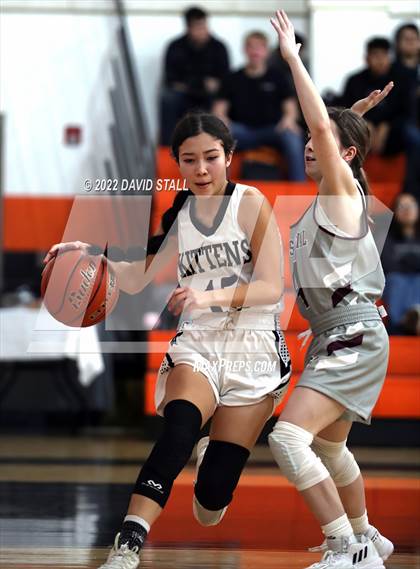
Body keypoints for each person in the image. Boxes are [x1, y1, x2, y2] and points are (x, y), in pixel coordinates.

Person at [44, 112, 291, 569]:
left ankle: (211, 458)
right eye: (189, 160)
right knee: (177, 430)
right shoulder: (181, 210)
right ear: (176, 163)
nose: (201, 169)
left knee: (211, 503)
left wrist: (206, 294)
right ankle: (127, 547)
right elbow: (139, 275)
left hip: (253, 347)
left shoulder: (251, 202)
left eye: (211, 158)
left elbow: (272, 287)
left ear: (229, 157)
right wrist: (86, 256)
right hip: (199, 342)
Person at [268, 10, 394, 569]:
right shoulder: (336, 195)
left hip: (352, 334)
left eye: (326, 142)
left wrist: (294, 58)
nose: (310, 144)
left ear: (345, 156)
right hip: (336, 335)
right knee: (328, 447)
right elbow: (334, 138)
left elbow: (323, 130)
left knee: (288, 440)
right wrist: (356, 118)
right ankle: (370, 536)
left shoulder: (342, 197)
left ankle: (350, 547)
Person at [213, 30, 306, 181]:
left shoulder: (278, 77)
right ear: (245, 50)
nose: (255, 51)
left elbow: (290, 108)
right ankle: (218, 188)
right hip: (241, 131)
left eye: (260, 47)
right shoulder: (232, 78)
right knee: (217, 135)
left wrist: (288, 120)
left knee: (292, 136)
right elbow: (219, 111)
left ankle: (298, 189)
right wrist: (224, 123)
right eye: (251, 46)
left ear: (266, 51)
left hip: (273, 130)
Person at [159, 7, 230, 145]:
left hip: (209, 94)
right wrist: (200, 83)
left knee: (221, 98)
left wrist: (211, 84)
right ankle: (167, 145)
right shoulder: (175, 47)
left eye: (204, 25)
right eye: (198, 27)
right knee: (168, 98)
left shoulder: (218, 47)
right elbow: (171, 80)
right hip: (185, 93)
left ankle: (218, 142)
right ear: (188, 28)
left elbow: (226, 79)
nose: (203, 30)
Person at [382, 193, 420, 333]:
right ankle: (405, 320)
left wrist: (405, 261)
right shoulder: (387, 237)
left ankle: (414, 315)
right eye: (402, 206)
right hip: (395, 279)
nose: (407, 210)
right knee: (396, 280)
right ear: (395, 211)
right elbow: (388, 265)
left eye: (411, 206)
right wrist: (414, 262)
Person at [393, 23, 420, 196]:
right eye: (406, 38)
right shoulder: (392, 70)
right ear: (397, 43)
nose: (410, 42)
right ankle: (409, 192)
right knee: (415, 139)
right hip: (403, 122)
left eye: (414, 38)